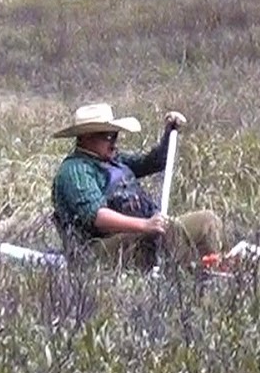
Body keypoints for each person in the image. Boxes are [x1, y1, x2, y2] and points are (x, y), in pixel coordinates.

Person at [49, 102, 223, 269]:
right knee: (166, 230)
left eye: (115, 135)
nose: (114, 142)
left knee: (207, 221)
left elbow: (153, 163)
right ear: (86, 137)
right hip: (96, 251)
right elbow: (97, 217)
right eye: (108, 137)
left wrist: (169, 134)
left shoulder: (115, 160)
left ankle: (211, 269)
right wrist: (145, 225)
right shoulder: (75, 170)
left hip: (135, 236)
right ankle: (186, 279)